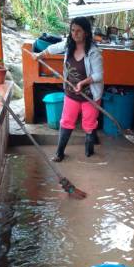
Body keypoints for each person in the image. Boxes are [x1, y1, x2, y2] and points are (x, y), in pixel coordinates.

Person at [32, 16, 104, 161]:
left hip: (90, 95)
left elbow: (98, 75)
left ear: (86, 33)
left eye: (79, 31)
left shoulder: (94, 52)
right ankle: (59, 153)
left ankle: (89, 151)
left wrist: (83, 83)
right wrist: (39, 55)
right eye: (72, 30)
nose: (75, 34)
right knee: (66, 121)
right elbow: (53, 48)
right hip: (71, 93)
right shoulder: (68, 45)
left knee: (89, 124)